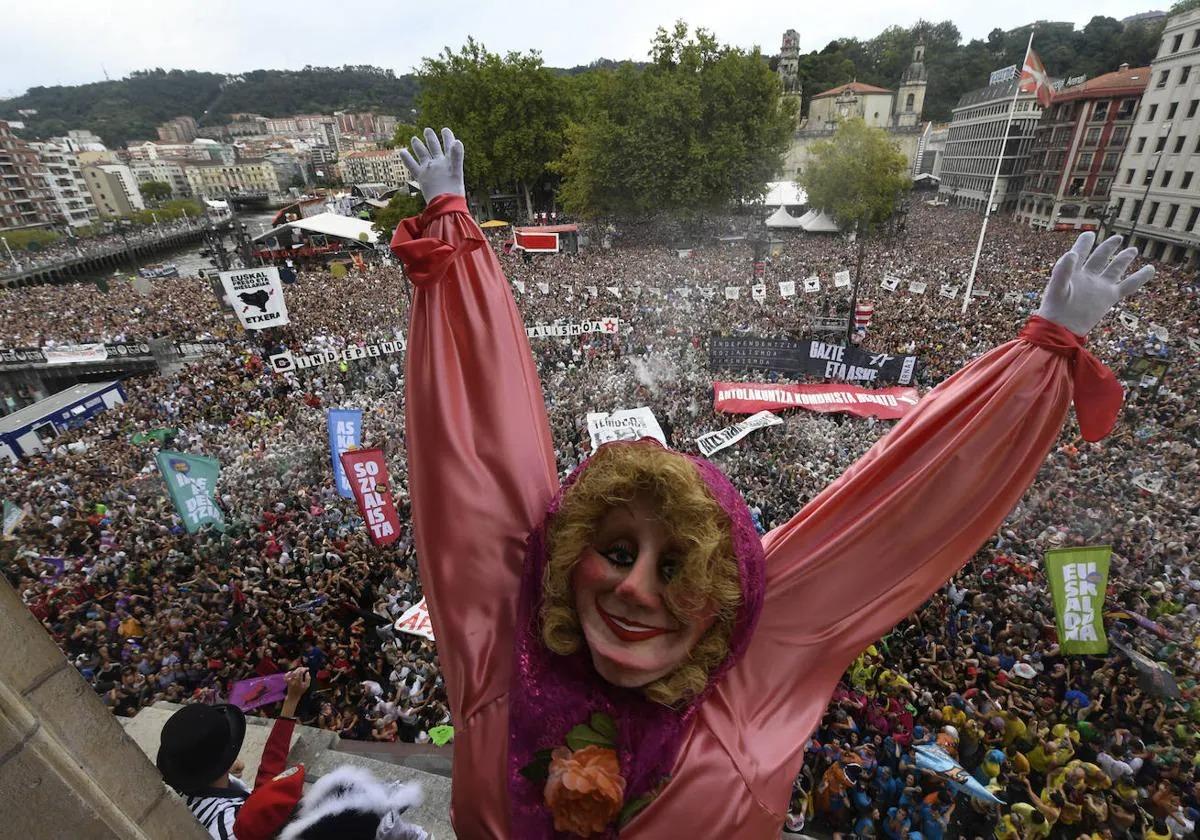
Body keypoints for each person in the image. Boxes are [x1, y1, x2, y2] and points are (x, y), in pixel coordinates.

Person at [394, 127, 1155, 838]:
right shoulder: (504, 645)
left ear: (730, 596)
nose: (634, 590)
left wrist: (1041, 356)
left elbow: (896, 510)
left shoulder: (755, 665)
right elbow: (477, 461)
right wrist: (454, 242)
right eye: (618, 551)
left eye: (678, 566)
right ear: (563, 558)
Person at [158, 668, 310, 839]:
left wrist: (291, 701)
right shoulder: (233, 828)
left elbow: (261, 790)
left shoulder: (186, 793)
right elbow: (259, 805)